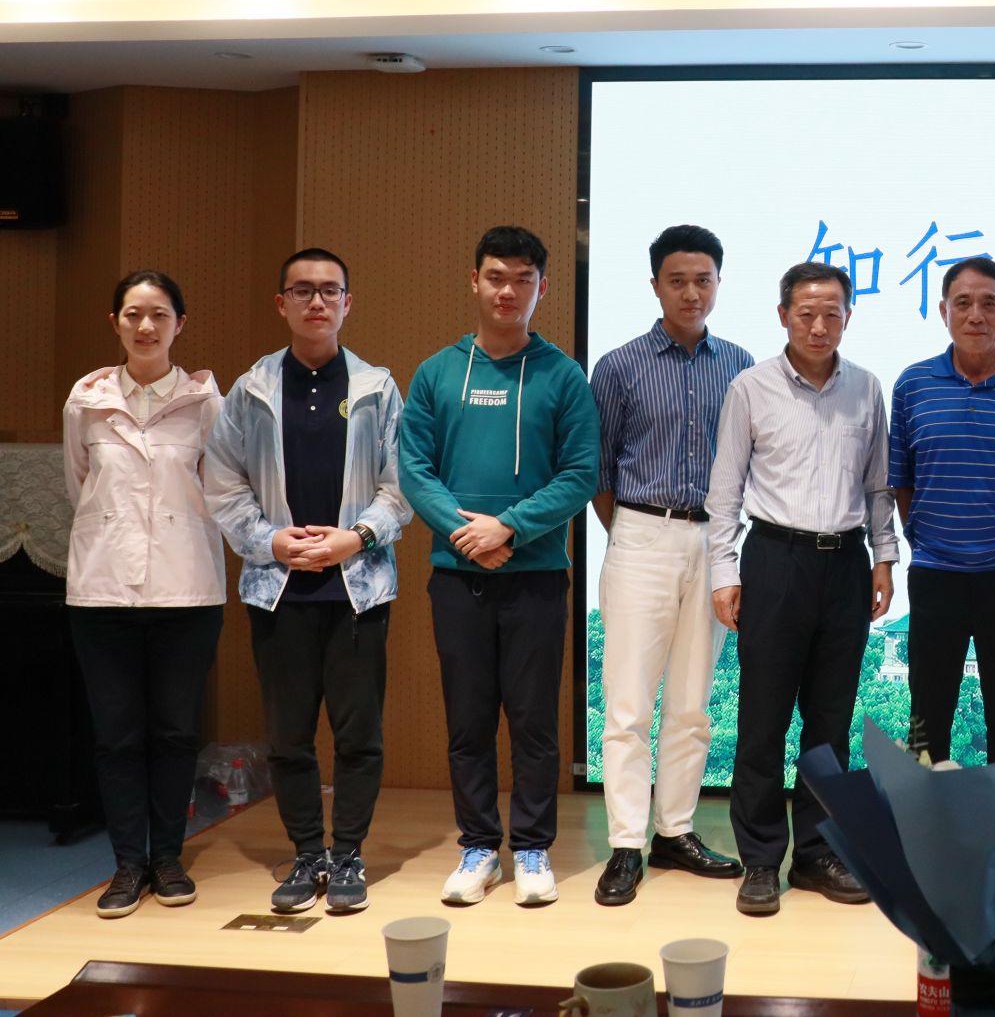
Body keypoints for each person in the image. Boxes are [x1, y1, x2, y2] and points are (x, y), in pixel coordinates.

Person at [205, 248, 413, 914]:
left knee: (359, 737)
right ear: (282, 304)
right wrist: (270, 540)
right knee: (288, 738)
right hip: (278, 589)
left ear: (348, 303)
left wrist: (359, 536)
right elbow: (223, 481)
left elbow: (402, 485)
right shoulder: (251, 390)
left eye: (330, 291)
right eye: (303, 291)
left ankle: (347, 854)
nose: (317, 302)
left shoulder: (378, 386)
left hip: (357, 588)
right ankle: (305, 854)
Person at [398, 226, 599, 908]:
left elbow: (580, 473)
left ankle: (534, 847)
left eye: (522, 278)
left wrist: (509, 525)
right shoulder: (437, 372)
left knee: (535, 721)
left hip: (536, 576)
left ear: (542, 287)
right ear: (474, 281)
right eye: (495, 276)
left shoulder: (562, 375)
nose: (508, 290)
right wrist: (468, 534)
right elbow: (414, 469)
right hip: (458, 576)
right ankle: (479, 847)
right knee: (469, 720)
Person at [706, 262, 898, 917]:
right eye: (806, 313)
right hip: (774, 561)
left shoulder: (867, 387)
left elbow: (878, 485)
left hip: (845, 564)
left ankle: (816, 853)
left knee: (829, 723)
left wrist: (884, 558)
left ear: (848, 317)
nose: (819, 326)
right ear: (783, 314)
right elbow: (725, 491)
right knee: (762, 721)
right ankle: (761, 860)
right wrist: (725, 573)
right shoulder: (750, 387)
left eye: (832, 314)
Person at [589, 225, 753, 905]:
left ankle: (675, 831)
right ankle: (627, 843)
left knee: (691, 703)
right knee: (628, 703)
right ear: (655, 285)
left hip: (714, 540)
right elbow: (599, 471)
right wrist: (635, 534)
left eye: (703, 280)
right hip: (641, 533)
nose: (691, 292)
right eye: (678, 280)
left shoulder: (740, 364)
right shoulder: (619, 366)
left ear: (718, 283)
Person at [63, 271, 224, 918]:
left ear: (180, 323)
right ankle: (128, 863)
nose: (146, 326)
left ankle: (169, 858)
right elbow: (79, 484)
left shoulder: (205, 401)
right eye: (133, 314)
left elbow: (221, 490)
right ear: (115, 322)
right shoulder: (86, 401)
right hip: (103, 590)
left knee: (176, 731)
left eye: (159, 314)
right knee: (117, 736)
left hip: (187, 589)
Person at [889, 257, 995, 765]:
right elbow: (901, 480)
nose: (976, 315)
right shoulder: (913, 385)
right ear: (943, 311)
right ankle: (927, 810)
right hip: (935, 572)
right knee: (927, 713)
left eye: (990, 304)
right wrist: (926, 536)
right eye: (962, 303)